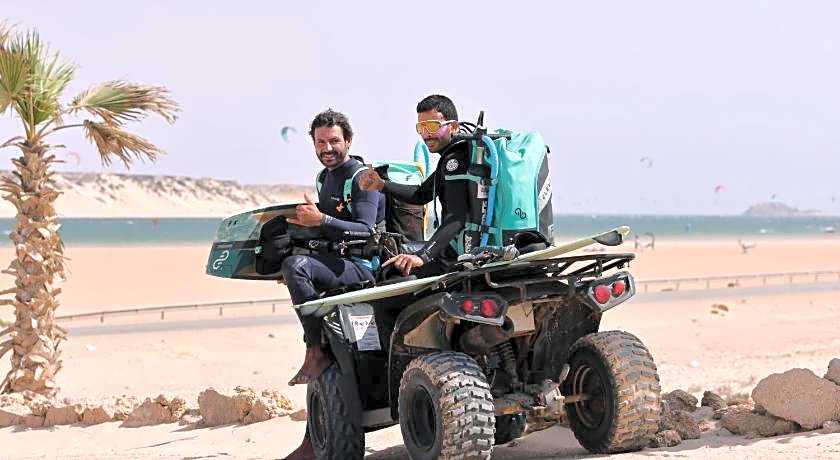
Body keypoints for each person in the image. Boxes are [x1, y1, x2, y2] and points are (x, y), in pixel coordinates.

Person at [282, 109, 385, 386]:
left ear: (348, 141)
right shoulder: (323, 178)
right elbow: (330, 232)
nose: (327, 149)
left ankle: (315, 351)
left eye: (334, 141)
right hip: (339, 262)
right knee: (292, 264)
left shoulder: (363, 178)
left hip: (365, 267)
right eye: (321, 142)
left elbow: (366, 230)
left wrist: (322, 220)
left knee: (296, 266)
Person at [359, 94, 471, 277]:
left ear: (453, 126)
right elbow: (421, 194)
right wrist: (381, 185)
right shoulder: (455, 155)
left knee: (390, 271)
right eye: (421, 127)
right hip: (457, 248)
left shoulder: (455, 162)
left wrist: (423, 256)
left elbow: (456, 218)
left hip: (458, 255)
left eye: (433, 126)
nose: (426, 134)